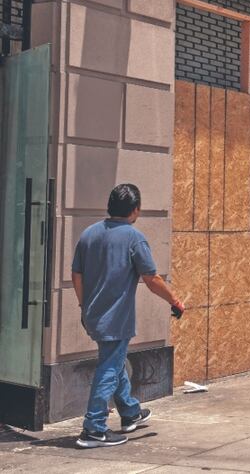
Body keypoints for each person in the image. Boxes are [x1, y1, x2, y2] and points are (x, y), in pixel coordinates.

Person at [72, 184, 185, 448]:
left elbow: (76, 274)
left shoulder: (88, 234)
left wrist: (83, 306)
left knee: (115, 361)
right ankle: (94, 429)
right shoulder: (133, 238)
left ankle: (130, 412)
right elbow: (151, 278)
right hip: (116, 318)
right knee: (109, 368)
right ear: (136, 210)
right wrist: (174, 300)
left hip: (92, 315)